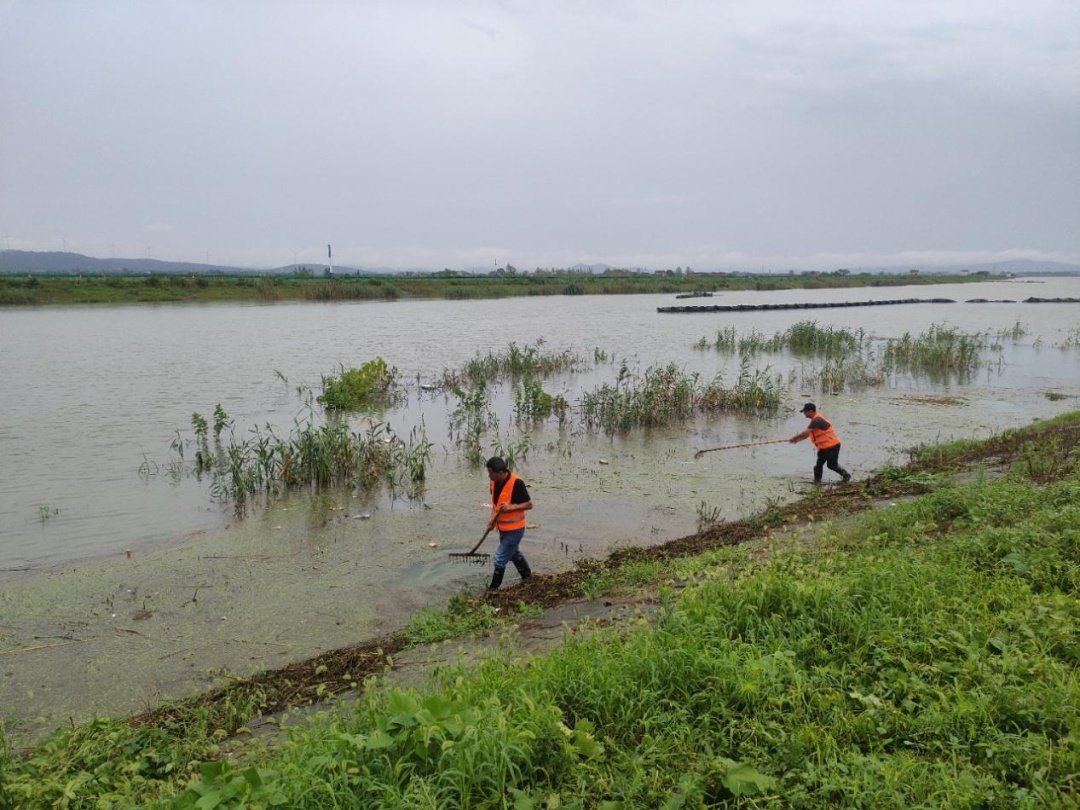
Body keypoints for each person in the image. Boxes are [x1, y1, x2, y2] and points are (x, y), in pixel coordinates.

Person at [484, 456, 533, 591]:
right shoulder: (494, 482)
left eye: (491, 474)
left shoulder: (516, 483)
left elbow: (529, 505)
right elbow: (495, 505)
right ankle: (527, 577)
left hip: (515, 530)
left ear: (500, 472)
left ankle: (493, 590)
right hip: (503, 528)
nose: (489, 477)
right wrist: (491, 520)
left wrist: (511, 507)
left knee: (499, 558)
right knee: (513, 554)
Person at [789, 403, 852, 484]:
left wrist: (794, 437)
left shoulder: (817, 420)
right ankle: (817, 482)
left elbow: (805, 432)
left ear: (811, 411)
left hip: (832, 447)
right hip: (823, 448)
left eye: (805, 412)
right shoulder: (814, 420)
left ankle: (846, 475)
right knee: (818, 466)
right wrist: (796, 440)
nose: (804, 414)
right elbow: (808, 435)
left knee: (831, 465)